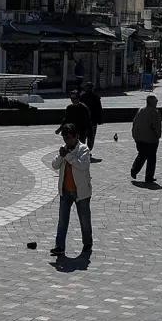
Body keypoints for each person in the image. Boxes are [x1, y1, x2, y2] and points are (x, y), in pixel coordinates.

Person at [50, 124, 92, 258]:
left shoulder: (83, 149)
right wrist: (61, 156)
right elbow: (54, 165)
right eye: (64, 138)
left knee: (84, 219)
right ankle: (60, 246)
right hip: (65, 191)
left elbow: (83, 165)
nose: (66, 141)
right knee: (62, 220)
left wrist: (67, 156)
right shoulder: (64, 149)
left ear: (75, 137)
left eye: (68, 138)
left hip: (81, 192)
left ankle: (87, 244)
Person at [130, 94, 162, 186]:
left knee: (142, 155)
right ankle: (149, 177)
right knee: (151, 158)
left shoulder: (140, 110)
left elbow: (134, 123)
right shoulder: (155, 112)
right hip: (151, 139)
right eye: (155, 100)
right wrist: (158, 136)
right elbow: (157, 127)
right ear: (151, 102)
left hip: (139, 138)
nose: (157, 101)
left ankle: (134, 169)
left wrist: (134, 135)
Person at [79, 84, 103, 159]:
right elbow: (99, 110)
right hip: (92, 121)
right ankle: (87, 151)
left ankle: (83, 151)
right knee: (90, 138)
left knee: (82, 137)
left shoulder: (82, 96)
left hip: (84, 121)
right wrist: (100, 120)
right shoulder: (95, 97)